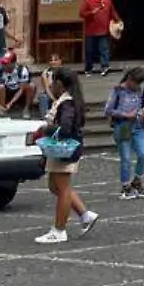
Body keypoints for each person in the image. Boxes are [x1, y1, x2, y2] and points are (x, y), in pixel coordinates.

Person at [35, 68, 98, 244]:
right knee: (55, 186)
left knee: (62, 189)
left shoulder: (67, 103)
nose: (51, 86)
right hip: (63, 150)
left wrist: (45, 129)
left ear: (59, 84)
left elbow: (65, 128)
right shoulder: (68, 100)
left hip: (63, 149)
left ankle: (59, 230)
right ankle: (84, 215)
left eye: (52, 83)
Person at [103, 67, 144, 199]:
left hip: (137, 126)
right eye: (136, 83)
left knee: (143, 154)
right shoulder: (118, 90)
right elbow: (108, 110)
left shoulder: (141, 90)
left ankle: (137, 180)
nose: (137, 86)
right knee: (126, 158)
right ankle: (125, 186)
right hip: (122, 126)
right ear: (129, 79)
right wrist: (125, 114)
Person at [78, 0, 118, 77]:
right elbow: (81, 13)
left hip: (104, 30)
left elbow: (113, 13)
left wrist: (118, 21)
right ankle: (88, 68)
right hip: (91, 31)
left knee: (104, 49)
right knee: (89, 51)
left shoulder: (108, 1)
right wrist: (91, 12)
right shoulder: (89, 1)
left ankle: (104, 67)